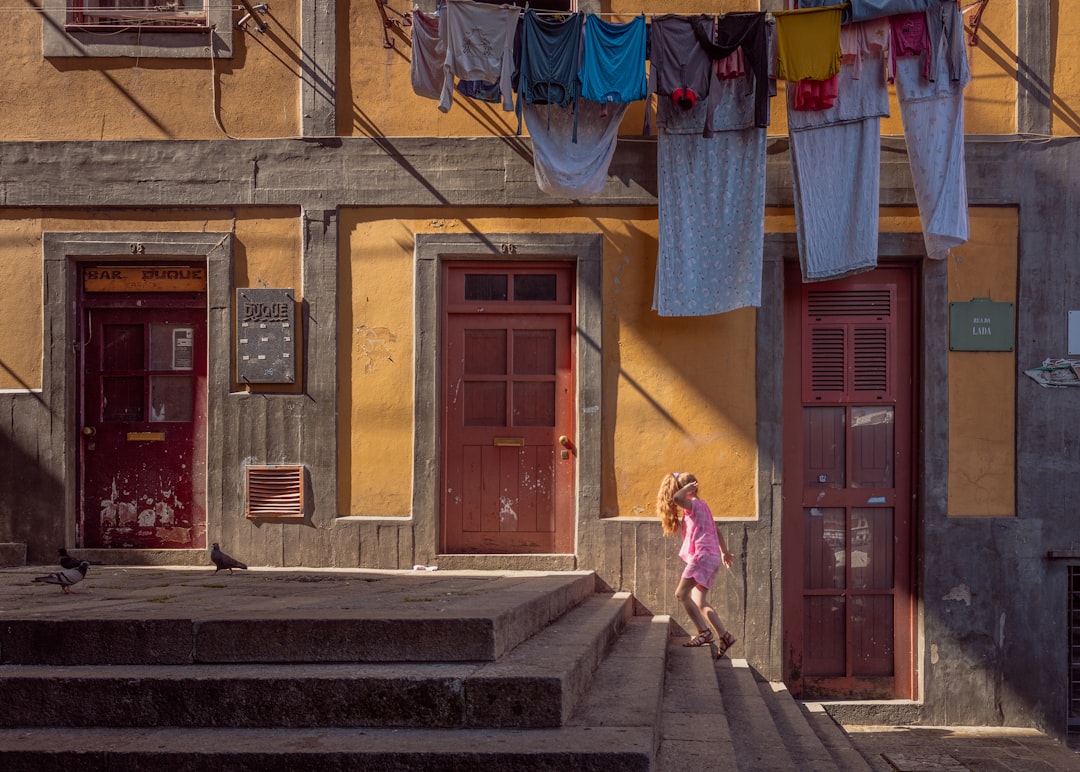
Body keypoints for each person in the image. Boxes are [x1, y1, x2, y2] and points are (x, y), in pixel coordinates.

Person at [657, 471, 737, 656]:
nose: (678, 493)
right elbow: (716, 530)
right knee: (699, 601)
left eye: (681, 489)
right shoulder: (703, 506)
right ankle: (725, 636)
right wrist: (724, 552)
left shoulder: (692, 504)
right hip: (712, 558)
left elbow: (676, 498)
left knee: (681, 594)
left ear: (688, 490)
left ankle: (704, 632)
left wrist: (685, 489)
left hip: (702, 557)